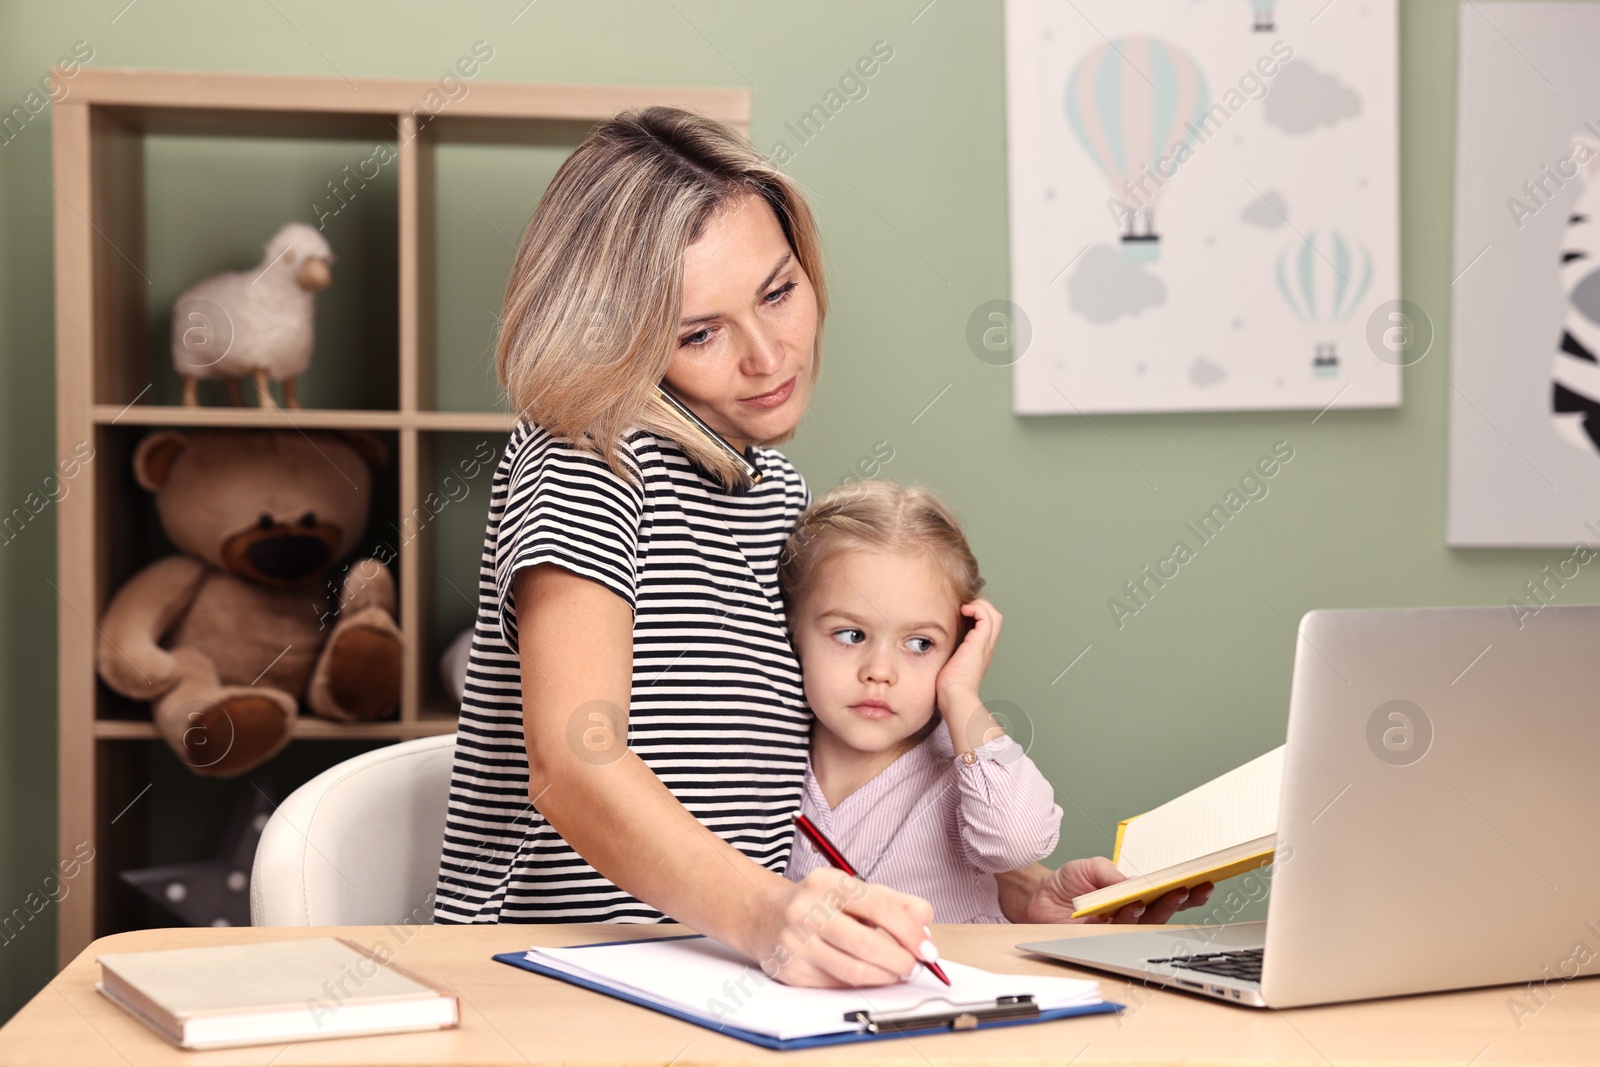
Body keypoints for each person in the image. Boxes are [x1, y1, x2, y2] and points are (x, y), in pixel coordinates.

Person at [431, 105, 1209, 989]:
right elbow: (574, 760)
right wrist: (769, 914)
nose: (767, 356)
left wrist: (1013, 889)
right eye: (699, 332)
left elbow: (819, 773)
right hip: (551, 972)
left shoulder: (775, 494)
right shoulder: (587, 454)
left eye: (777, 291)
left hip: (720, 972)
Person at [779, 479, 1064, 922]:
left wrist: (960, 694)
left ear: (959, 646)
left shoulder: (964, 768)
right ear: (793, 628)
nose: (880, 671)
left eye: (920, 644)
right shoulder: (770, 760)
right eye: (850, 635)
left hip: (958, 989)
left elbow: (1019, 840)